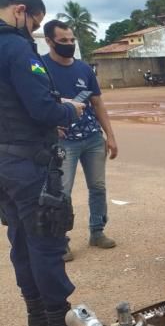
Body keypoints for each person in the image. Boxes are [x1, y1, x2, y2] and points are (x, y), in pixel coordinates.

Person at [0, 0, 86, 326]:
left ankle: (36, 314)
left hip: (4, 164)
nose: (33, 30)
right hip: (28, 163)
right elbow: (41, 109)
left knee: (20, 237)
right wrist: (68, 110)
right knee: (46, 238)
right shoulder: (17, 49)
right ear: (20, 10)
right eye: (35, 23)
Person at [43, 19, 117, 261]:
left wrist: (110, 136)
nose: (69, 44)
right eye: (63, 40)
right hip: (64, 142)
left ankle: (97, 231)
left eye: (71, 39)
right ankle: (60, 241)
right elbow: (35, 104)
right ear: (49, 41)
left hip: (92, 138)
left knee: (98, 187)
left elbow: (97, 103)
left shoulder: (84, 69)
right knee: (61, 192)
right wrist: (50, 126)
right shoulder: (40, 68)